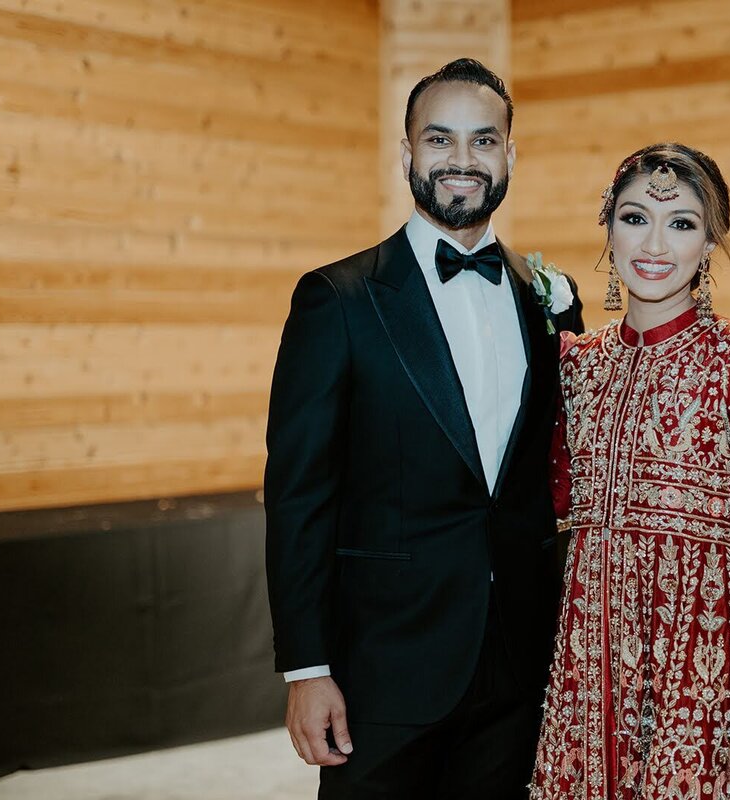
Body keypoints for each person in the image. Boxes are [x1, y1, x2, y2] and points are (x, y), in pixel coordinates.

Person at [264, 58, 583, 800]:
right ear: (407, 154)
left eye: (483, 141)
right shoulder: (336, 300)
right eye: (439, 141)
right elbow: (298, 496)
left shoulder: (550, 302)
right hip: (387, 668)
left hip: (519, 662)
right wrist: (307, 670)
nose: (462, 161)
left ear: (510, 155)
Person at [530, 143, 730, 800]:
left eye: (682, 223)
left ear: (710, 241)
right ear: (608, 225)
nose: (655, 242)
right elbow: (545, 501)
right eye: (635, 218)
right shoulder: (577, 366)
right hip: (588, 680)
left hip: (701, 685)